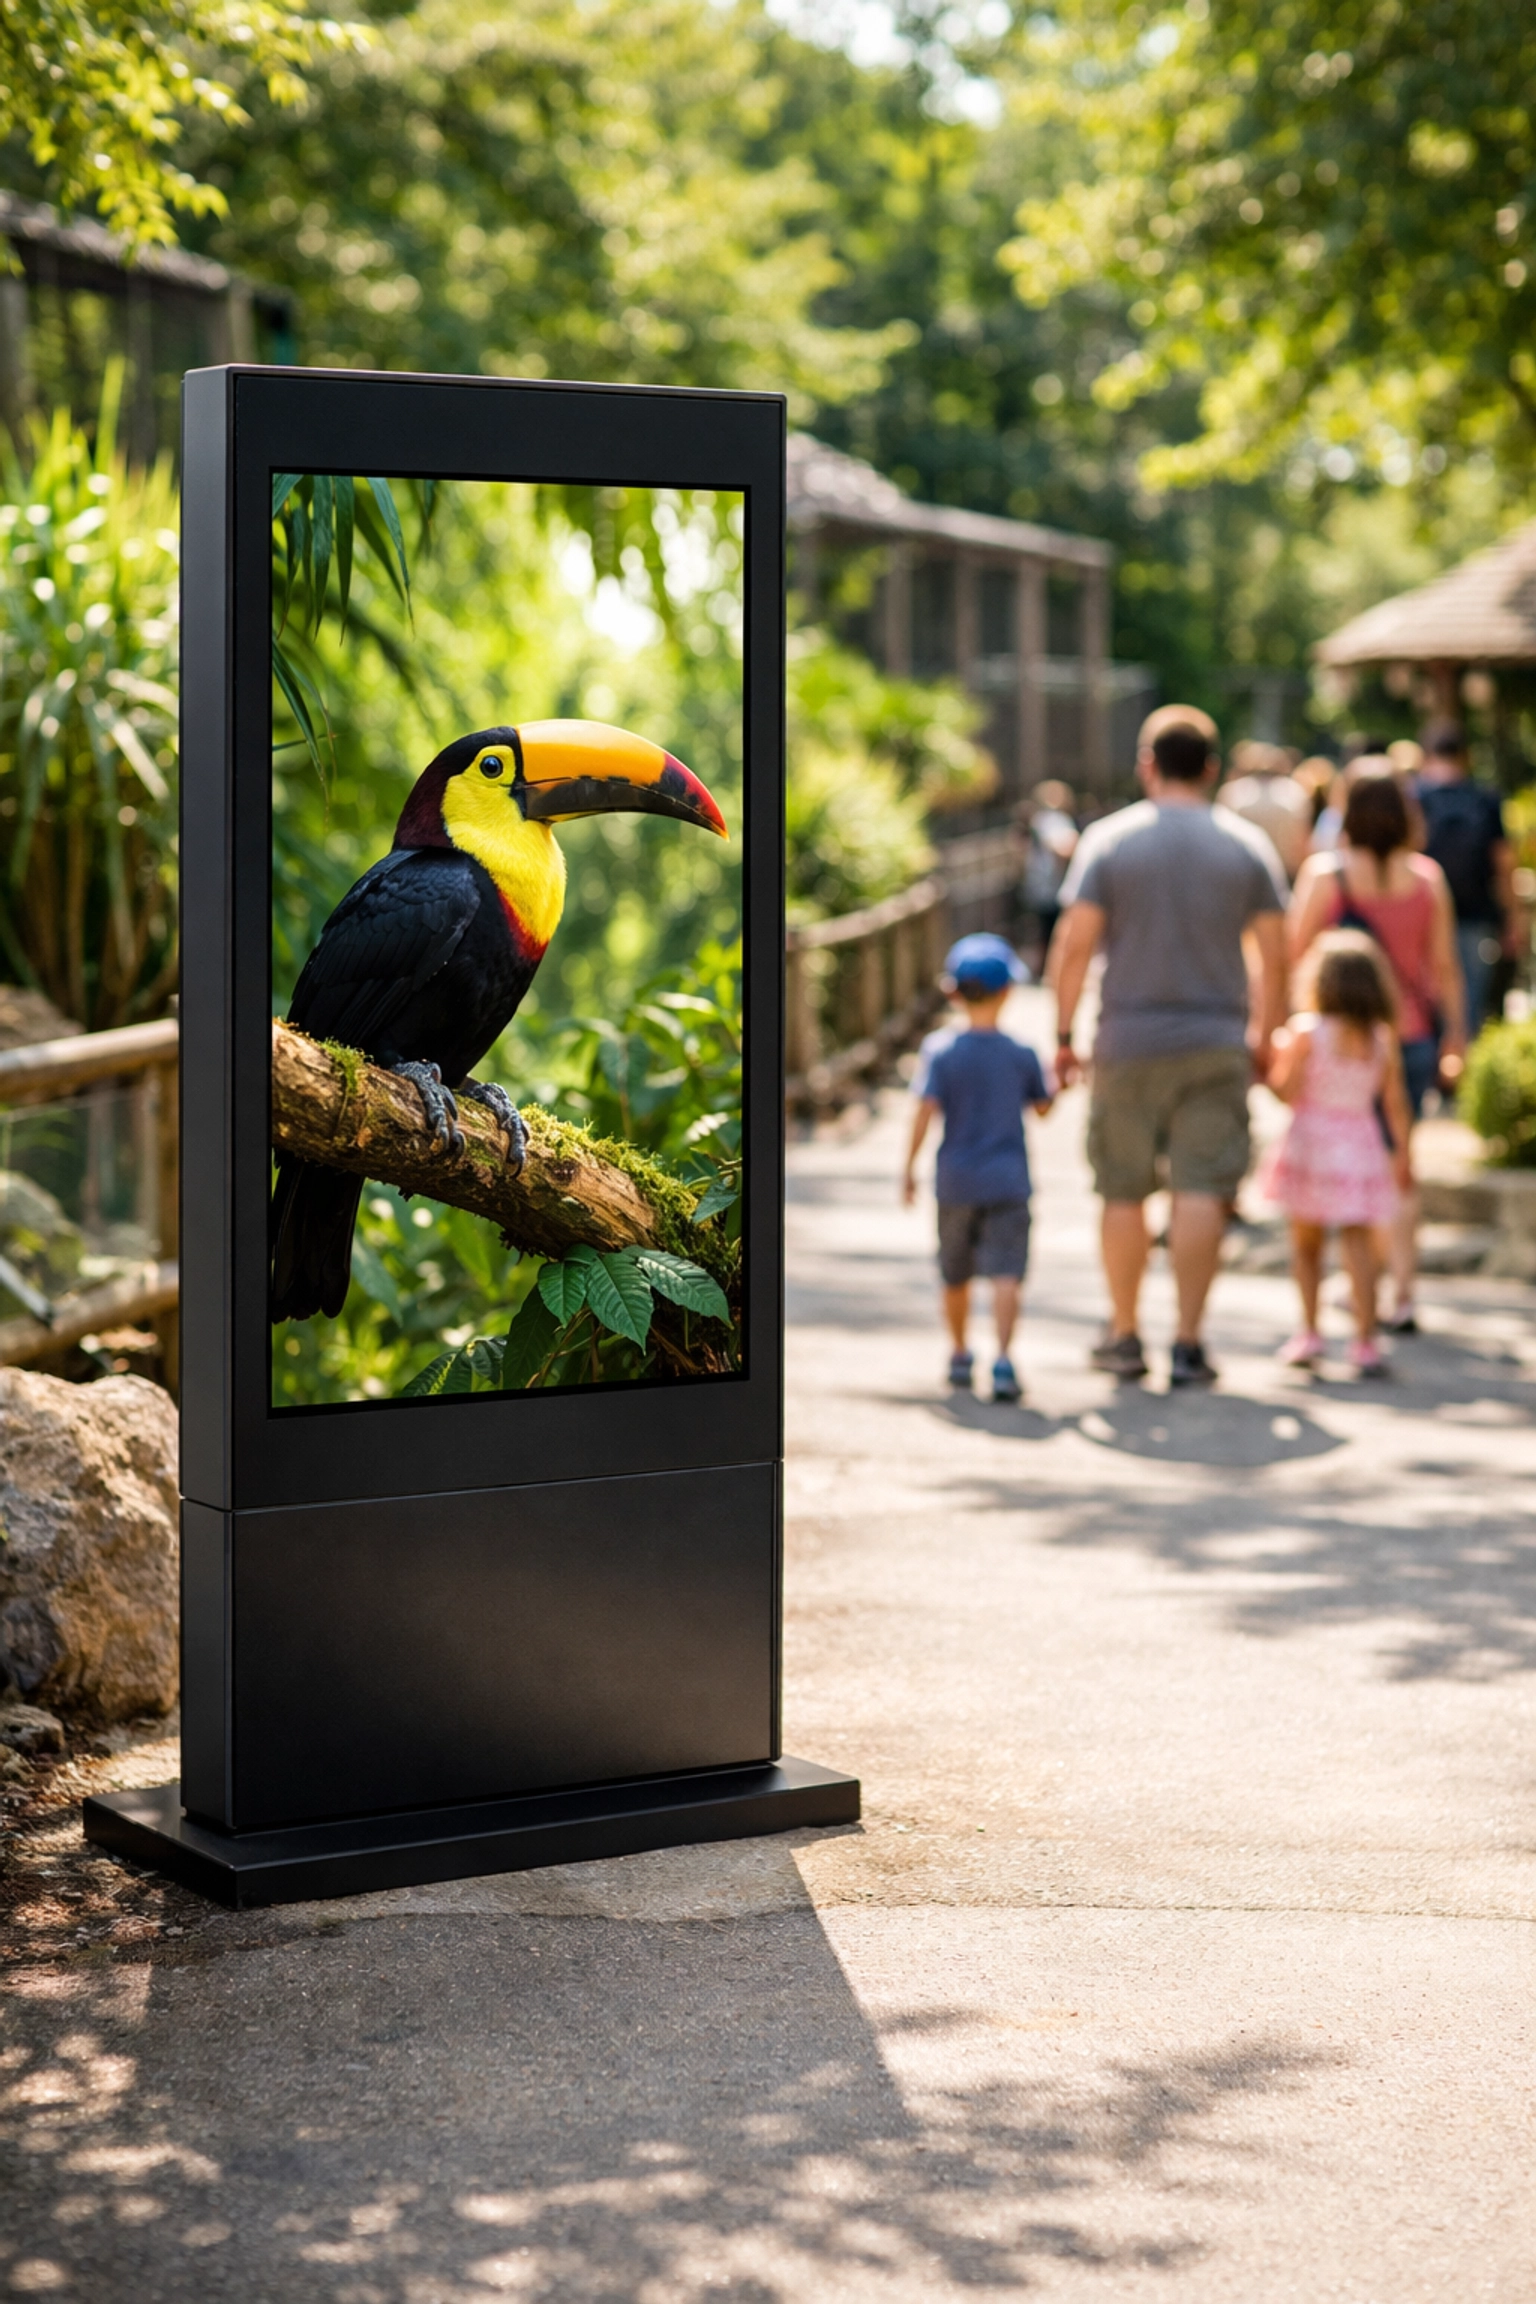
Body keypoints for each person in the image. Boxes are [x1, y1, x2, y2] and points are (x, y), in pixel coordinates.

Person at [1053, 706, 1288, 1387]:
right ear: (1212, 769)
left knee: (1122, 1190)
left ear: (1146, 765)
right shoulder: (1246, 847)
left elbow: (1075, 945)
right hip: (1218, 1041)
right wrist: (1266, 1037)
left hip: (1127, 1041)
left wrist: (1065, 1036)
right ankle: (1188, 1343)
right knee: (1202, 1190)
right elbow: (1277, 956)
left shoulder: (1108, 841)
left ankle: (1124, 1336)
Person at [1288, 763, 1465, 1334]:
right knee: (1398, 1163)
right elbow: (1445, 967)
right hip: (1407, 1036)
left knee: (1337, 1163)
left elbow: (1294, 954)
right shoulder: (1427, 879)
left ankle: (1347, 1287)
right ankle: (1403, 1291)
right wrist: (1455, 1035)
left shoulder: (1327, 874)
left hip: (1338, 1046)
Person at [904, 933, 1054, 1405]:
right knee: (1007, 1272)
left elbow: (924, 1112)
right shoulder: (1021, 1053)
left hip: (955, 1182)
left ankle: (959, 1351)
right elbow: (1044, 1108)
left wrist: (908, 1167)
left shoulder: (940, 1051)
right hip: (1009, 1182)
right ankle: (1005, 1359)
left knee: (955, 1272)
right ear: (1008, 991)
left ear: (952, 992)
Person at [1261, 931, 1411, 1377]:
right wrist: (1403, 1154)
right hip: (1360, 1147)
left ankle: (1310, 1332)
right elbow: (1395, 1104)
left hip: (1312, 1145)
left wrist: (1279, 1059)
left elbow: (1284, 1092)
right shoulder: (1381, 1040)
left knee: (1306, 1245)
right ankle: (1365, 1340)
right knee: (1359, 1245)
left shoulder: (1307, 1033)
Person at [1414, 722, 1523, 1037]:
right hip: (1475, 916)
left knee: (1424, 999)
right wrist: (1514, 918)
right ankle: (1461, 1069)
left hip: (1423, 915)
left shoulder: (1414, 795)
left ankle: (1430, 1067)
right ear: (1465, 756)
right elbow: (1503, 864)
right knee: (1470, 1001)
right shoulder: (1484, 799)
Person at [1217, 740, 1313, 882]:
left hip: (1240, 874)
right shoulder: (1296, 793)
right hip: (1285, 874)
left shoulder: (1232, 792)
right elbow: (1303, 843)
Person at [1019, 781, 1079, 965]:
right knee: (1053, 931)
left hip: (1041, 885)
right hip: (1052, 887)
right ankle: (1051, 967)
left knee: (1045, 930)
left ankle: (1045, 966)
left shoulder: (1041, 819)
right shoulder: (1052, 819)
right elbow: (1063, 846)